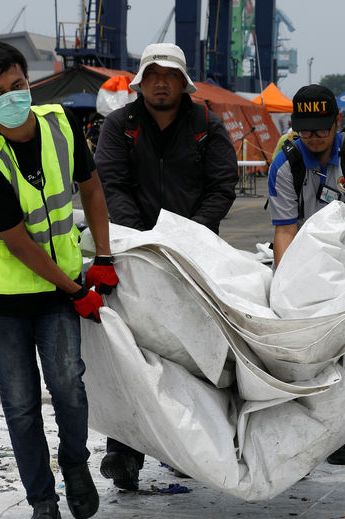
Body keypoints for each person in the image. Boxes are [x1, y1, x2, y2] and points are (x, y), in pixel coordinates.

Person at [0, 41, 115, 519]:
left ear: (31, 82)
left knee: (69, 385)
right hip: (4, 302)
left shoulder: (62, 125)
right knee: (21, 404)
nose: (11, 97)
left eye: (18, 86)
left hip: (56, 295)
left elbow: (90, 188)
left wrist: (104, 257)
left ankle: (75, 463)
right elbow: (19, 243)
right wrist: (76, 289)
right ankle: (42, 502)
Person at [95, 42, 238, 490]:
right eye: (153, 73)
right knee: (131, 354)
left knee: (193, 356)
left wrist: (187, 236)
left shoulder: (206, 126)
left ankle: (188, 447)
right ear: (141, 81)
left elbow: (222, 186)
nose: (161, 82)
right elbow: (110, 184)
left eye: (170, 74)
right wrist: (143, 240)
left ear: (182, 82)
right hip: (133, 255)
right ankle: (124, 451)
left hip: (195, 258)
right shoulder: (120, 126)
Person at [267, 84, 345, 465]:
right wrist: (285, 288)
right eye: (305, 128)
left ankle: (338, 434)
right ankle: (305, 435)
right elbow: (284, 229)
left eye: (321, 128)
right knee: (303, 357)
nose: (313, 136)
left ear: (338, 122)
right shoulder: (285, 163)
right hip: (301, 261)